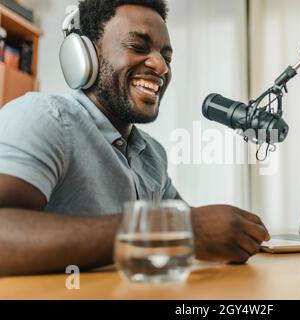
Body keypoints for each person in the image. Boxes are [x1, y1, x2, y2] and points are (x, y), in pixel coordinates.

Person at [0, 0, 270, 276]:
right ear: (84, 55)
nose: (160, 66)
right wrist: (175, 229)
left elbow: (192, 228)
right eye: (138, 47)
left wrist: (232, 232)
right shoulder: (44, 117)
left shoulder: (151, 154)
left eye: (167, 57)